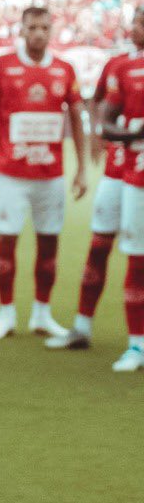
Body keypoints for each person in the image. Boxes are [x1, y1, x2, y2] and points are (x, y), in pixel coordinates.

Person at [0, 6, 88, 340]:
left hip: (51, 176)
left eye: (44, 27)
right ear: (21, 30)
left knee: (49, 243)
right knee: (7, 239)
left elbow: (77, 120)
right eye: (32, 27)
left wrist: (81, 169)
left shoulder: (64, 69)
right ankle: (6, 313)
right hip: (12, 173)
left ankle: (41, 313)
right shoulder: (4, 65)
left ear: (52, 31)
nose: (39, 33)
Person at [49, 5, 144, 350]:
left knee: (137, 255)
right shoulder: (119, 65)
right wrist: (98, 138)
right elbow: (100, 107)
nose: (133, 28)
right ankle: (82, 327)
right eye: (134, 21)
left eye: (140, 23)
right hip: (118, 173)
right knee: (99, 247)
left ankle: (137, 342)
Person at [93, 46, 144, 372]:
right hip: (137, 176)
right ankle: (137, 345)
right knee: (138, 260)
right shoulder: (126, 69)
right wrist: (133, 135)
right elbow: (106, 124)